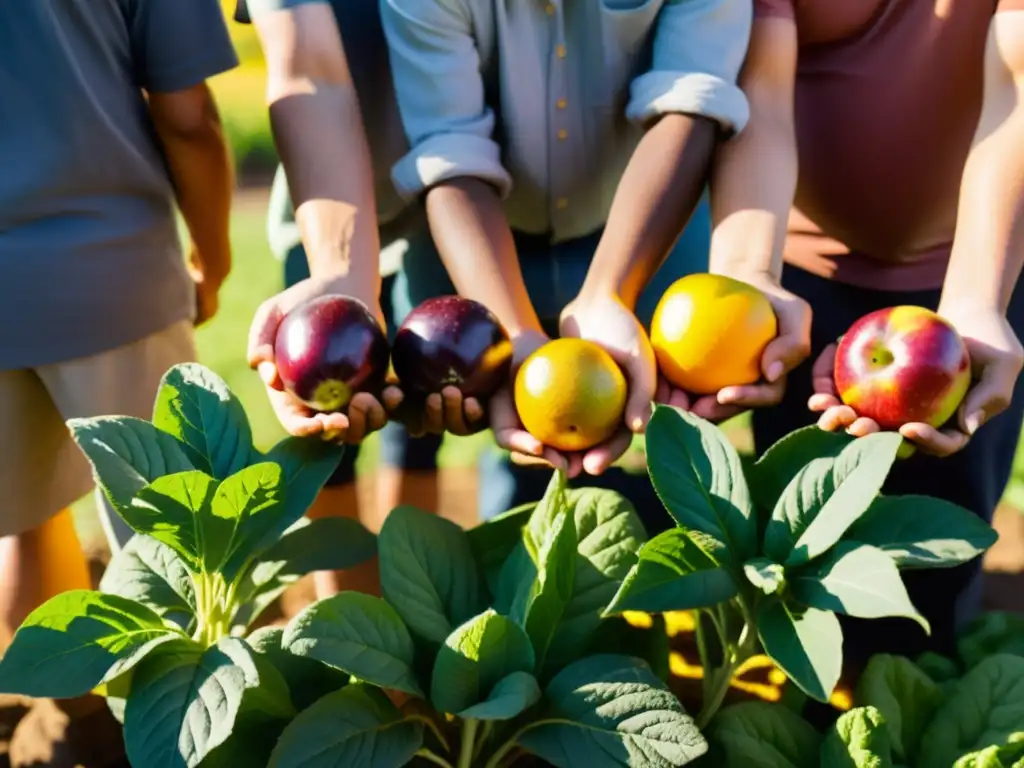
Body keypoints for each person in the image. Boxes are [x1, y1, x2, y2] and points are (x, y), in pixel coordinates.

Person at [701, 0, 1024, 670]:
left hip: (975, 280)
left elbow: (1018, 79)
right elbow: (760, 83)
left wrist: (973, 299)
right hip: (803, 281)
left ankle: (920, 691)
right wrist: (746, 273)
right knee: (803, 545)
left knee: (944, 548)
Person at [378, 0, 780, 524]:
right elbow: (448, 149)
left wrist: (609, 291)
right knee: (419, 414)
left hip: (647, 209)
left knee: (670, 418)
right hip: (473, 222)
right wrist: (515, 334)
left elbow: (692, 97)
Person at [0, 0, 237, 762]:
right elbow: (188, 116)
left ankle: (77, 724)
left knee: (25, 522)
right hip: (114, 268)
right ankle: (186, 742)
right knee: (180, 545)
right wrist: (213, 254)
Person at [240, 0, 452, 598]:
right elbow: (305, 65)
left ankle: (415, 604)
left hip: (441, 194)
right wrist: (339, 266)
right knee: (323, 427)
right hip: (318, 207)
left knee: (421, 418)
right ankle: (347, 621)